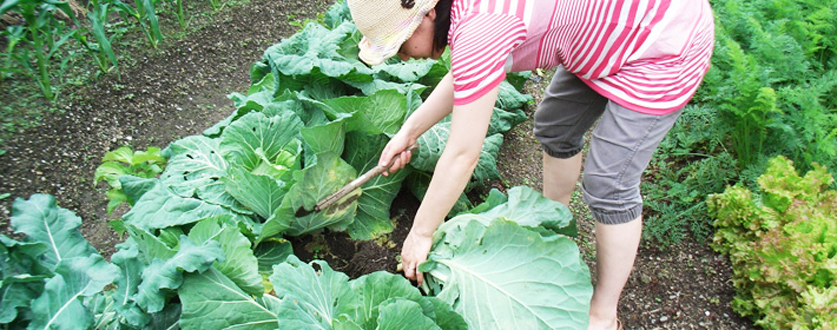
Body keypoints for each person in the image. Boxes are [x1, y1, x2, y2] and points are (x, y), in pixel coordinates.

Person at [347, 0, 715, 329]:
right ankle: (552, 224)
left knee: (609, 185)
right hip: (606, 34)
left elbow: (463, 152)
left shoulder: (480, 24)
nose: (401, 57)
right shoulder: (466, 14)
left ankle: (603, 313)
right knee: (555, 128)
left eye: (398, 44)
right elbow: (467, 75)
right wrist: (409, 132)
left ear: (428, 13)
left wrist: (421, 233)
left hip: (662, 41)